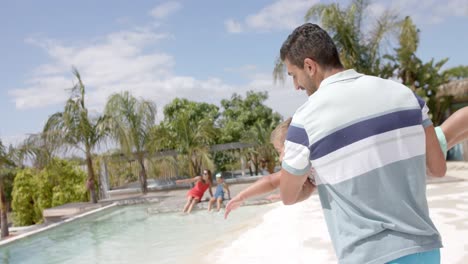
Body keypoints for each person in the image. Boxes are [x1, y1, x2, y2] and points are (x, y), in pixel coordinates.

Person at [270, 23, 447, 263]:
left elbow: (288, 195)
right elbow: (438, 168)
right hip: (424, 250)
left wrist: (312, 180)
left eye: (294, 75)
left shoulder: (305, 120)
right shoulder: (406, 95)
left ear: (310, 66)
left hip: (368, 256)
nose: (296, 85)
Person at [225, 107, 468, 219]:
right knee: (449, 136)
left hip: (405, 157)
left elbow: (269, 181)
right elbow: (288, 187)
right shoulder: (310, 168)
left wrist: (241, 196)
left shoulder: (307, 164)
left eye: (280, 151)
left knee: (446, 132)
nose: (280, 158)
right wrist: (283, 193)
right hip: (405, 163)